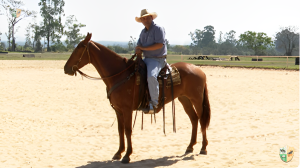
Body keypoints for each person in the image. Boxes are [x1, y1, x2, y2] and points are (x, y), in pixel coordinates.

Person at [135, 9, 167, 114]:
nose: (145, 20)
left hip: (157, 59)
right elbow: (138, 45)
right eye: (143, 18)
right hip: (146, 59)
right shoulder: (143, 32)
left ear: (151, 18)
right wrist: (138, 50)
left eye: (147, 17)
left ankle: (154, 104)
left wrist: (143, 49)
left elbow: (159, 44)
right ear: (142, 21)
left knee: (151, 76)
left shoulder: (158, 29)